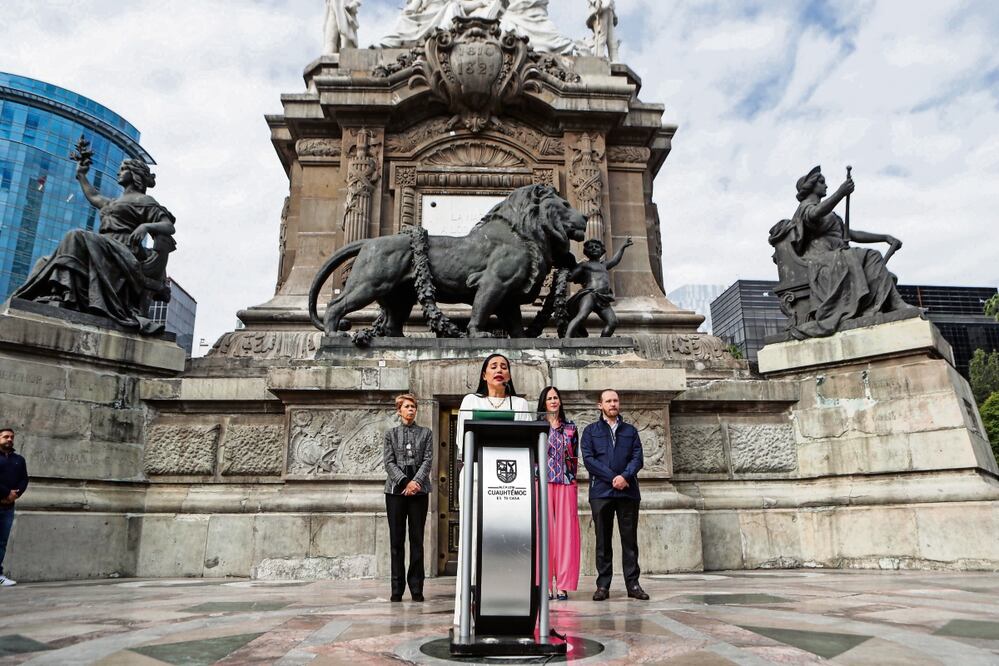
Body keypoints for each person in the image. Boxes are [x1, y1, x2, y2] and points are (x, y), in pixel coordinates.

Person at [13, 154, 176, 334]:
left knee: (75, 236)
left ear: (135, 174)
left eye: (123, 169)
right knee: (44, 262)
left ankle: (70, 296)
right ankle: (58, 295)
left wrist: (145, 226)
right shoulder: (113, 202)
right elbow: (93, 195)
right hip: (101, 247)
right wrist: (82, 175)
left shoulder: (145, 202)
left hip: (123, 250)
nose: (118, 172)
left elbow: (168, 226)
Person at [768, 165, 919, 338]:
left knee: (871, 257)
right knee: (864, 256)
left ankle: (888, 304)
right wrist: (841, 192)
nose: (826, 186)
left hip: (837, 254)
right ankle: (886, 304)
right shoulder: (805, 208)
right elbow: (815, 214)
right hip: (820, 257)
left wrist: (884, 237)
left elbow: (852, 234)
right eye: (822, 182)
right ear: (811, 186)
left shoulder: (830, 213)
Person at [453, 353, 532, 625]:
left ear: (509, 375)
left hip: (511, 484)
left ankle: (508, 608)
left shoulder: (520, 403)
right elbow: (463, 443)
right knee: (473, 540)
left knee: (509, 540)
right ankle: (467, 612)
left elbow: (527, 443)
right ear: (484, 375)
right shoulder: (470, 402)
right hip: (476, 476)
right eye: (493, 366)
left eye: (504, 367)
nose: (499, 370)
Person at [580, 389, 648, 601]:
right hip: (601, 492)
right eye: (608, 401)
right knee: (603, 540)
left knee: (629, 541)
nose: (613, 404)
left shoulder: (630, 430)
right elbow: (589, 460)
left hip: (628, 492)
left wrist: (625, 476)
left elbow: (638, 458)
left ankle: (633, 584)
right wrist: (612, 478)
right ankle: (603, 586)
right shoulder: (590, 431)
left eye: (615, 400)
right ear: (600, 405)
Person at [383, 393, 433, 602]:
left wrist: (416, 483)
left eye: (413, 406)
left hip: (419, 492)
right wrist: (405, 482)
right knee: (396, 541)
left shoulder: (426, 433)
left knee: (416, 541)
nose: (411, 410)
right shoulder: (391, 434)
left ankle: (416, 587)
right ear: (399, 410)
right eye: (406, 407)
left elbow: (428, 459)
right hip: (396, 492)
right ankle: (396, 588)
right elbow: (388, 462)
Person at [537, 386, 579, 601]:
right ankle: (544, 584)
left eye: (556, 397)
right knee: (543, 533)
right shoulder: (537, 426)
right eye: (549, 398)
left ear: (560, 402)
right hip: (541, 483)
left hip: (565, 482)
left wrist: (572, 478)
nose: (553, 401)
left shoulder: (570, 427)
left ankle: (562, 584)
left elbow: (575, 458)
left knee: (565, 535)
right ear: (543, 402)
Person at [565, 236, 633, 337]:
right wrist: (566, 271)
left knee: (613, 322)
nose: (593, 248)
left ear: (602, 251)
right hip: (590, 295)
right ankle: (567, 338)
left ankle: (603, 341)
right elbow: (570, 277)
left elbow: (615, 260)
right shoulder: (585, 265)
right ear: (586, 252)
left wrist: (622, 247)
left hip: (603, 298)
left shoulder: (604, 265)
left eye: (597, 247)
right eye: (591, 247)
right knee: (581, 316)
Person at [0, 428, 28, 587]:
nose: (9, 439)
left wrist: (14, 495)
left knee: (1, 542)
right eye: (5, 437)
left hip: (8, 507)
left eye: (11, 437)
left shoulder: (19, 459)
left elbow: (24, 480)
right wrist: (5, 493)